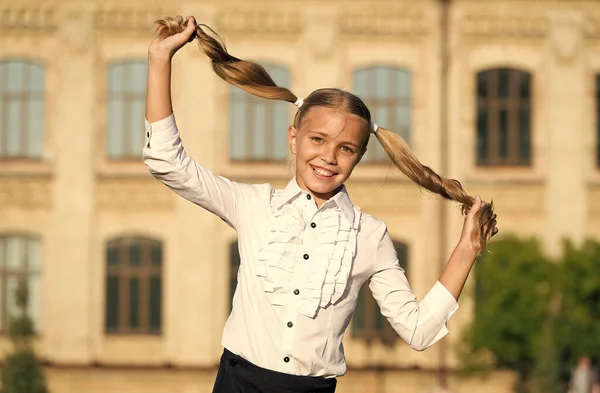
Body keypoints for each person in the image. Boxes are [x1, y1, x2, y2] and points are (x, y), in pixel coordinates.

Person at [143, 15, 498, 393]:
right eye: (318, 140)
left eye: (345, 149)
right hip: (237, 383)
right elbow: (166, 161)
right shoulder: (253, 205)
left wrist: (467, 248)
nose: (329, 157)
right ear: (294, 138)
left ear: (358, 157)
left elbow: (419, 330)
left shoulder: (370, 235)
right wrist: (160, 59)